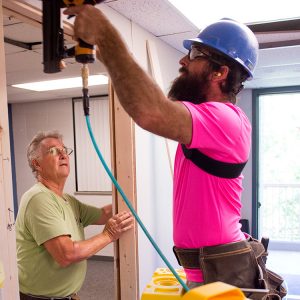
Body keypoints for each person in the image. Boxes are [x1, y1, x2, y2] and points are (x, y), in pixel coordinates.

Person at [63, 5, 262, 291]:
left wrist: (105, 36)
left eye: (195, 55)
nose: (183, 61)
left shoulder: (225, 119)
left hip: (221, 272)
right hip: (208, 268)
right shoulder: (211, 119)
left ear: (220, 72)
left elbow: (151, 111)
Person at [16, 131, 134, 300]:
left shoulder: (67, 200)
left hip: (66, 296)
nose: (63, 154)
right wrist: (108, 235)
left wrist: (132, 199)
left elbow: (103, 214)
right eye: (53, 151)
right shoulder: (38, 199)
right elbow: (66, 254)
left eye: (64, 150)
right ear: (37, 164)